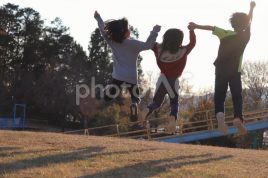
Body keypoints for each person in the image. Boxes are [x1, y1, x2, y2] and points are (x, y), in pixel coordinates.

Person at [187, 1, 256, 135]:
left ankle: (220, 115)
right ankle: (237, 118)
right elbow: (250, 21)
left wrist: (196, 26)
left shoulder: (225, 33)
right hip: (235, 72)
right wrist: (251, 8)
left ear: (232, 23)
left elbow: (211, 28)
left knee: (219, 97)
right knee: (237, 97)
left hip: (220, 70)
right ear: (246, 24)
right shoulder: (245, 36)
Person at [94, 11, 161, 119]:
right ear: (125, 32)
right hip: (131, 77)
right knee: (135, 96)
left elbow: (103, 31)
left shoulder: (112, 42)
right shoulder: (133, 44)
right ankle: (134, 105)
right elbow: (148, 45)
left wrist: (98, 19)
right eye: (129, 28)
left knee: (109, 97)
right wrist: (155, 31)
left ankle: (104, 92)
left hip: (118, 76)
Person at [139, 26, 196, 133]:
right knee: (174, 102)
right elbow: (192, 43)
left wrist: (155, 31)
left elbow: (149, 42)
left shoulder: (158, 49)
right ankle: (173, 117)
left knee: (156, 102)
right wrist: (191, 30)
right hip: (174, 81)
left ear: (165, 38)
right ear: (180, 40)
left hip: (162, 79)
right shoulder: (183, 51)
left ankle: (147, 110)